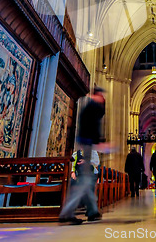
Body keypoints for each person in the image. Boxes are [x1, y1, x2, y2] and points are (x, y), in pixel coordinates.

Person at [59, 86, 106, 225]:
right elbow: (91, 127)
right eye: (101, 97)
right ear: (96, 95)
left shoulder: (91, 107)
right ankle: (67, 213)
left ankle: (92, 211)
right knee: (84, 182)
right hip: (86, 147)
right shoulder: (91, 107)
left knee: (87, 180)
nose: (103, 100)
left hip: (87, 145)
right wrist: (99, 143)